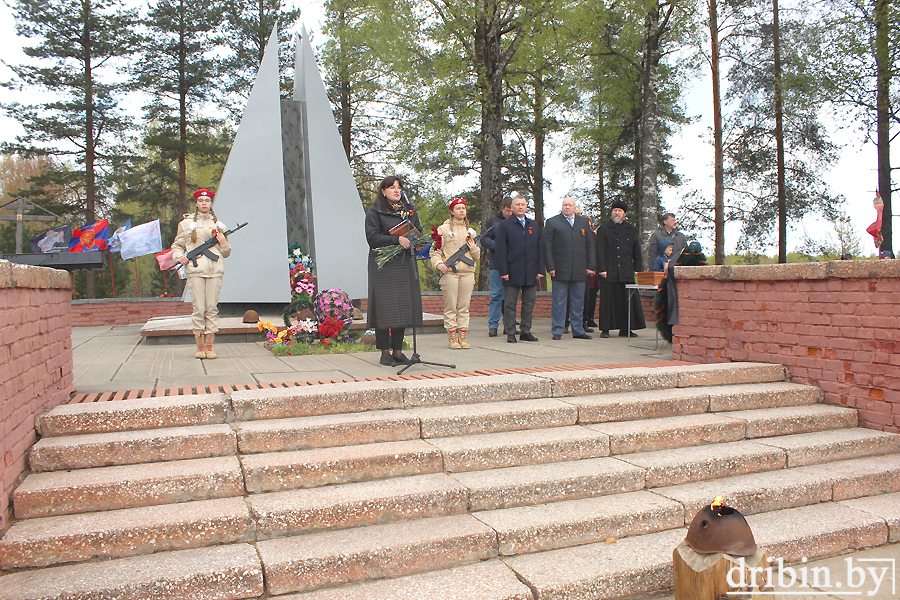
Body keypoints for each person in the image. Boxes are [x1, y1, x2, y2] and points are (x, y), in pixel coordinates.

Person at [365, 176, 424, 366]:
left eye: (399, 187)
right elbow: (372, 238)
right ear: (383, 191)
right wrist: (396, 240)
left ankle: (398, 352)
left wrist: (416, 240)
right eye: (392, 188)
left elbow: (418, 231)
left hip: (404, 264)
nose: (397, 191)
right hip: (384, 267)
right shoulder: (375, 212)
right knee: (385, 310)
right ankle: (384, 353)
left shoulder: (409, 210)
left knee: (402, 308)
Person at [172, 188, 232, 359]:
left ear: (211, 203)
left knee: (211, 308)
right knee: (199, 308)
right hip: (196, 270)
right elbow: (176, 246)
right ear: (196, 203)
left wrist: (223, 242)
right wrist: (179, 257)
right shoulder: (186, 224)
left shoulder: (219, 225)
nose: (204, 203)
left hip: (215, 270)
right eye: (201, 200)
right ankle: (200, 347)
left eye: (207, 200)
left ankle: (210, 346)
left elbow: (226, 253)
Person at [430, 198, 481, 349]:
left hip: (467, 273)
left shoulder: (471, 231)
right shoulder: (443, 229)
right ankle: (452, 337)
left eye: (463, 208)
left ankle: (463, 337)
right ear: (452, 211)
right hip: (450, 273)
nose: (461, 211)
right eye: (458, 208)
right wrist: (439, 265)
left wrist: (473, 248)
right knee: (451, 306)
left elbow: (477, 256)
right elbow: (435, 250)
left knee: (464, 306)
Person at [543, 197, 595, 340]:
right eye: (565, 205)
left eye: (570, 205)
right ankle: (558, 330)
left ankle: (578, 330)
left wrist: (591, 265)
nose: (567, 207)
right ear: (562, 206)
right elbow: (547, 246)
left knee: (579, 302)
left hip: (579, 269)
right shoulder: (552, 222)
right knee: (559, 302)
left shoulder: (583, 222)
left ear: (574, 207)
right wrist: (550, 266)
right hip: (560, 269)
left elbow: (590, 245)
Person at [495, 195, 544, 343]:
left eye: (523, 204)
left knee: (529, 302)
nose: (520, 207)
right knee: (510, 303)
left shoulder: (533, 225)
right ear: (512, 207)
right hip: (512, 270)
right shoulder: (505, 225)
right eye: (517, 204)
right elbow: (501, 250)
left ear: (526, 207)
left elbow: (539, 248)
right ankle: (510, 332)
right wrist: (503, 271)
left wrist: (540, 269)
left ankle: (526, 331)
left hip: (530, 271)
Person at [595, 200, 645, 338]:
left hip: (626, 270)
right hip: (609, 270)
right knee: (607, 301)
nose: (617, 213)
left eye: (620, 211)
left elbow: (636, 250)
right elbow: (599, 250)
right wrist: (602, 268)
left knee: (626, 301)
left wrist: (637, 267)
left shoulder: (630, 229)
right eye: (615, 210)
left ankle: (626, 329)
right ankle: (605, 328)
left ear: (624, 214)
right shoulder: (604, 229)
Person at [480, 196, 514, 337]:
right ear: (502, 209)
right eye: (507, 211)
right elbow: (484, 239)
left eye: (512, 211)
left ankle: (509, 325)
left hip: (513, 265)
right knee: (496, 295)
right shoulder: (493, 221)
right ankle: (493, 325)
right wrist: (499, 247)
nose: (510, 214)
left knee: (510, 297)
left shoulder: (518, 222)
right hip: (496, 264)